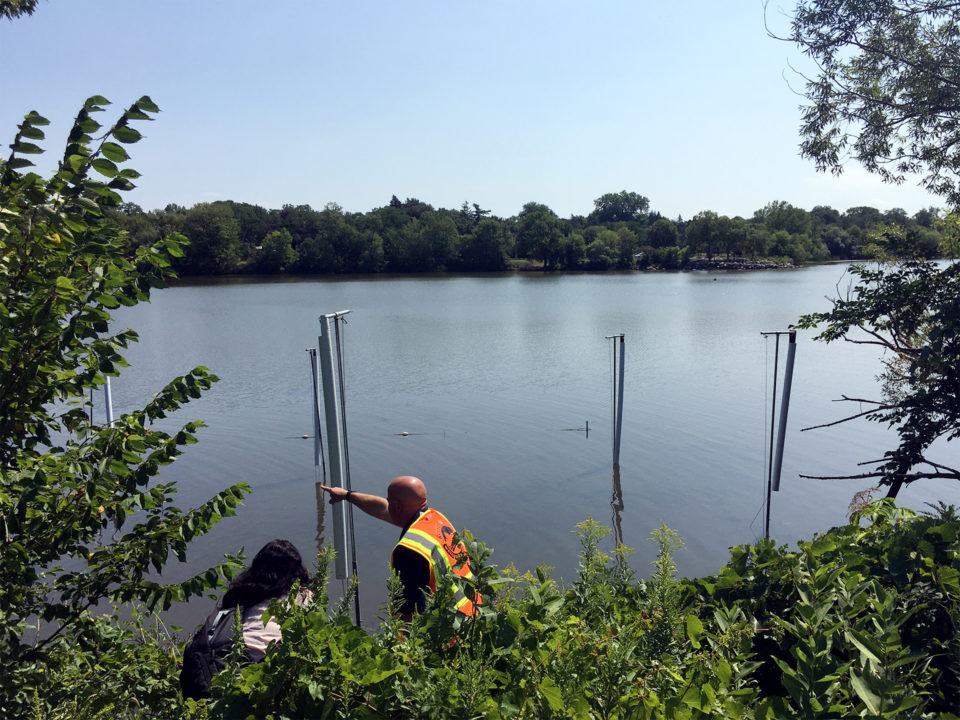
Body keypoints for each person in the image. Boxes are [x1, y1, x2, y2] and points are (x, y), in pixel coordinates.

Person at [320, 475, 479, 620]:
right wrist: (347, 495)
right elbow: (382, 509)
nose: (386, 504)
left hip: (449, 632)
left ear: (398, 507)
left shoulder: (409, 551)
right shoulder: (436, 520)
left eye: (390, 501)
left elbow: (410, 610)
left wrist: (397, 646)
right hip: (473, 613)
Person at [180, 539, 311, 699]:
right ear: (296, 571)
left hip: (218, 666)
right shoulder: (299, 596)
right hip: (256, 674)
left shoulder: (242, 595)